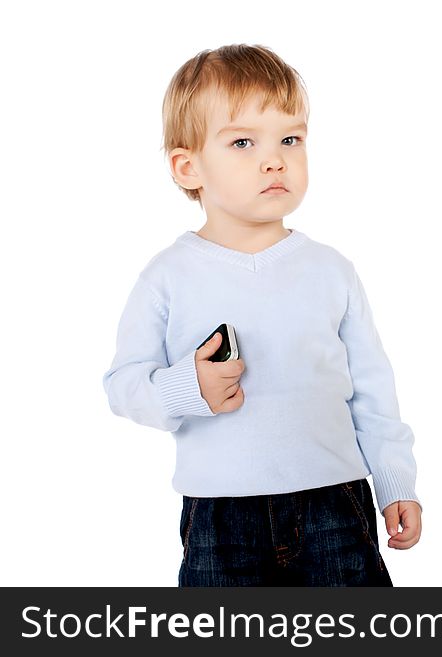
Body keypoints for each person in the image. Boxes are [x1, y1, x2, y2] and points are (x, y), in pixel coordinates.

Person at [103, 44, 421, 586]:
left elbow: (373, 391)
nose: (275, 159)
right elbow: (123, 385)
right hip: (220, 512)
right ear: (188, 166)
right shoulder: (168, 276)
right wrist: (188, 388)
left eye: (290, 139)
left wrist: (396, 482)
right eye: (243, 142)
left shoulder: (331, 270)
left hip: (334, 499)